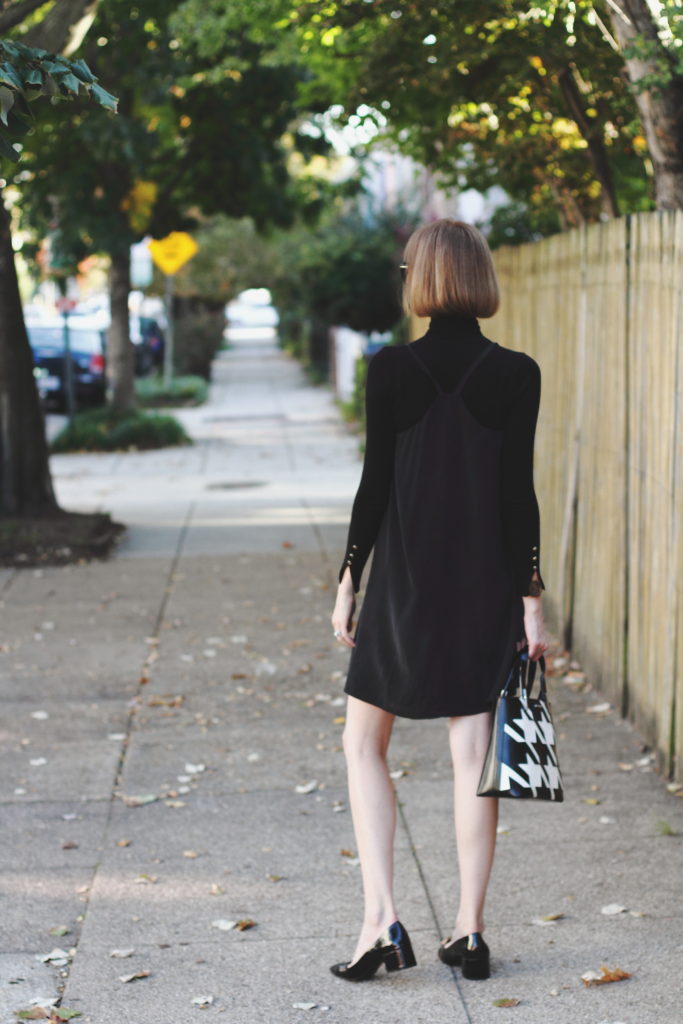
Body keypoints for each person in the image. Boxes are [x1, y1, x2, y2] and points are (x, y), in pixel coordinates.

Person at [329, 219, 551, 983]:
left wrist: (348, 577)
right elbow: (519, 497)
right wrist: (530, 598)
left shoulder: (390, 368)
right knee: (470, 761)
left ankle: (380, 919)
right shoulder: (516, 372)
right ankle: (470, 931)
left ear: (419, 278)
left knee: (363, 746)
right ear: (479, 276)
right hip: (484, 584)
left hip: (404, 586)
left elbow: (373, 486)